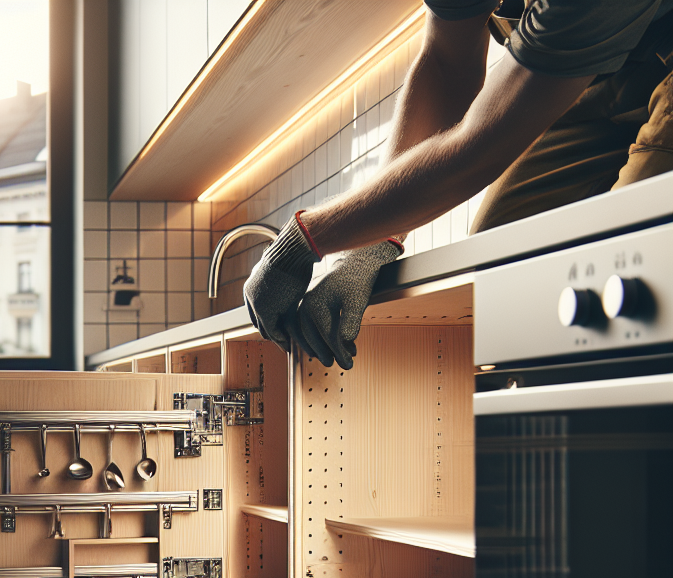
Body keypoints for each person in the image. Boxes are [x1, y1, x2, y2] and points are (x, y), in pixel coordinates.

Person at [244, 0, 673, 369]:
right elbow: (447, 64)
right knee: (503, 270)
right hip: (597, 76)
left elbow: (481, 144)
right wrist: (371, 243)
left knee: (630, 276)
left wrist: (307, 239)